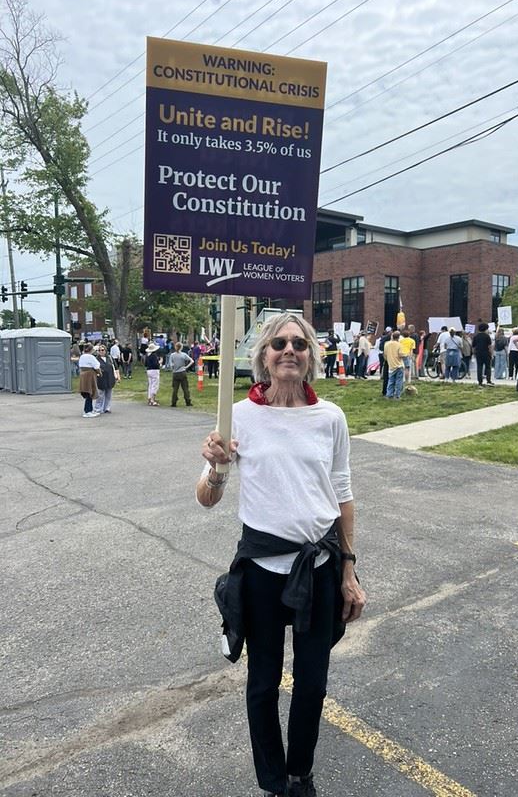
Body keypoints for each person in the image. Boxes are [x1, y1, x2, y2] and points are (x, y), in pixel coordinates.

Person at [196, 313, 366, 797]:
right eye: (278, 344)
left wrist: (349, 569)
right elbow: (205, 499)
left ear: (311, 356)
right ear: (263, 357)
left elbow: (343, 493)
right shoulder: (238, 416)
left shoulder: (330, 417)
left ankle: (300, 772)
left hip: (318, 567)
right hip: (262, 572)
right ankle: (274, 782)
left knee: (312, 683)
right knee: (264, 682)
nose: (288, 350)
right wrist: (218, 469)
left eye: (299, 343)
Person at [78, 342, 100, 418]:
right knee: (90, 392)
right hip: (89, 375)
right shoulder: (91, 357)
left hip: (83, 375)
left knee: (87, 392)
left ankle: (89, 409)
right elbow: (96, 366)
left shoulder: (82, 356)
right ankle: (88, 411)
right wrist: (99, 372)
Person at [94, 344, 119, 414]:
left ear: (105, 350)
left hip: (110, 378)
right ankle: (98, 408)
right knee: (100, 395)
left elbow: (115, 367)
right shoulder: (96, 359)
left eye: (102, 350)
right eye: (99, 350)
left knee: (108, 395)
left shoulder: (110, 358)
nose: (101, 352)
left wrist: (117, 376)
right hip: (101, 379)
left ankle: (107, 408)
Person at [170, 341, 194, 407]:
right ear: (181, 347)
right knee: (185, 388)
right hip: (182, 372)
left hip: (175, 373)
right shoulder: (183, 355)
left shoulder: (172, 355)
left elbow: (171, 365)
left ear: (175, 347)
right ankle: (188, 401)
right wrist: (186, 367)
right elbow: (192, 361)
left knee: (175, 389)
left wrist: (173, 369)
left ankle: (174, 402)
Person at [383, 330, 404, 399]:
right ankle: (397, 395)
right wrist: (405, 355)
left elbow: (385, 354)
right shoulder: (399, 345)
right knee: (399, 381)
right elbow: (400, 354)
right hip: (399, 365)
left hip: (391, 365)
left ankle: (389, 394)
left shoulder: (387, 344)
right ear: (398, 337)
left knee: (390, 380)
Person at [145, 342, 162, 406]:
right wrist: (159, 362)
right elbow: (155, 364)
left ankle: (149, 398)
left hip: (149, 370)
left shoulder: (148, 356)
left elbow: (145, 364)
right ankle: (152, 399)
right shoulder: (154, 356)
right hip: (154, 370)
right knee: (155, 385)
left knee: (150, 384)